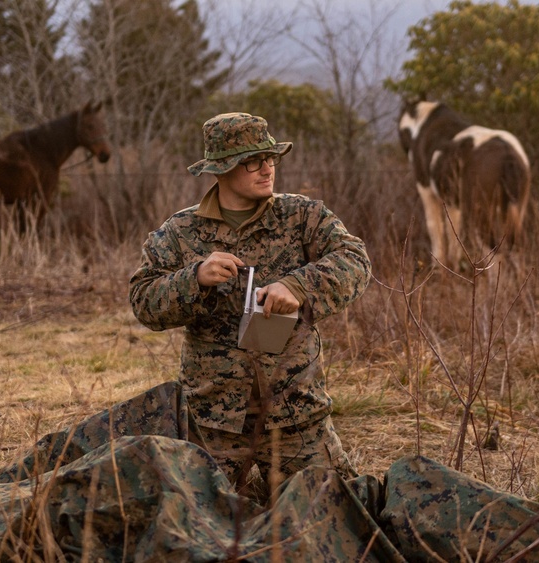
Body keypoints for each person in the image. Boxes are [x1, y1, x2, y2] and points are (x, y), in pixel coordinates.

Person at [129, 112, 371, 495]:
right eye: (252, 161)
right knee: (199, 523)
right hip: (213, 421)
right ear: (222, 169)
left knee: (336, 512)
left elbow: (356, 260)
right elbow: (143, 300)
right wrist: (193, 278)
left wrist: (299, 285)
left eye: (271, 158)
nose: (267, 169)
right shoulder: (181, 231)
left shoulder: (302, 217)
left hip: (295, 415)